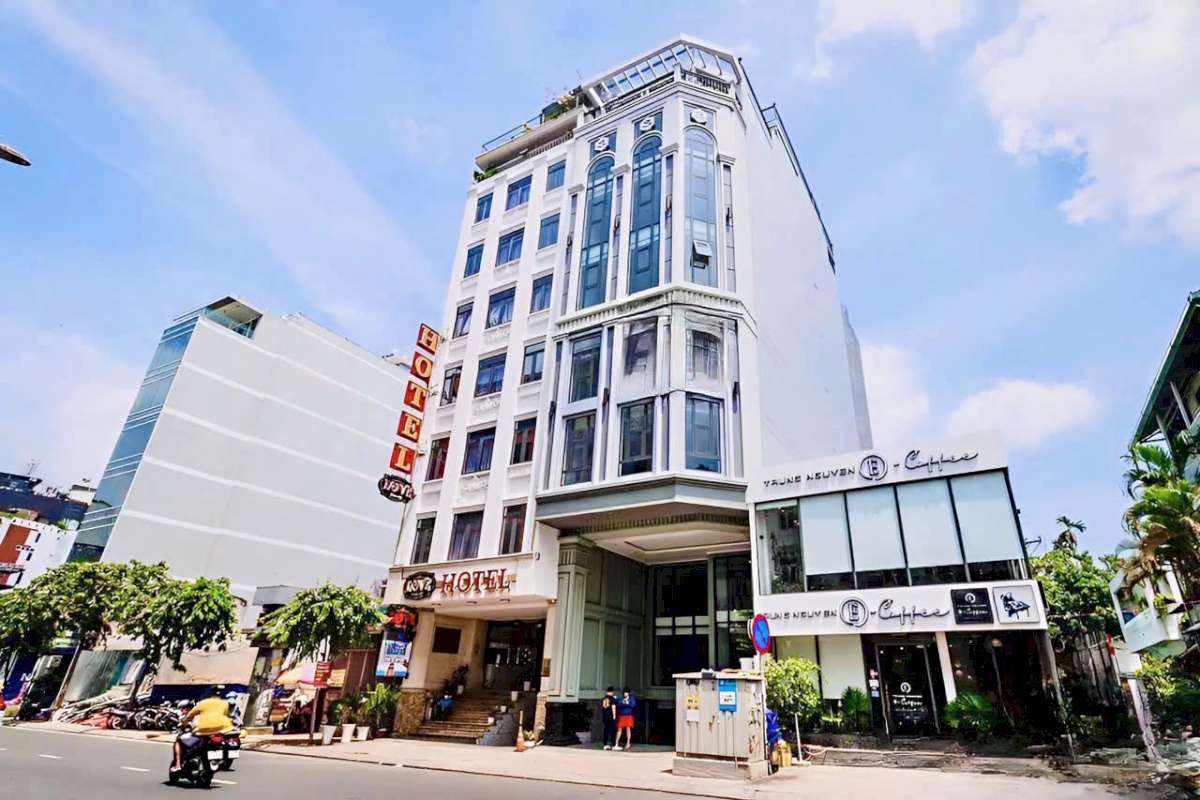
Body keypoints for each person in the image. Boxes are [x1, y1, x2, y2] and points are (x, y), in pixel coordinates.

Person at [173, 687, 236, 770]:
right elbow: (226, 715)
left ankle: (177, 766)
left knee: (179, 740)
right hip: (222, 730)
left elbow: (189, 716)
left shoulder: (202, 703)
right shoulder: (225, 704)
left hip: (203, 731)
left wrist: (183, 722)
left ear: (210, 694)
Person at [615, 687, 637, 751]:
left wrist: (627, 703)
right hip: (622, 716)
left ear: (628, 693)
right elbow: (618, 704)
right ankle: (616, 743)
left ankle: (628, 743)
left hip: (629, 716)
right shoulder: (621, 698)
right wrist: (623, 702)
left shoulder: (631, 699)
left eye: (626, 692)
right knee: (619, 729)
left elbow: (633, 705)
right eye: (624, 692)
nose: (625, 694)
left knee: (628, 729)